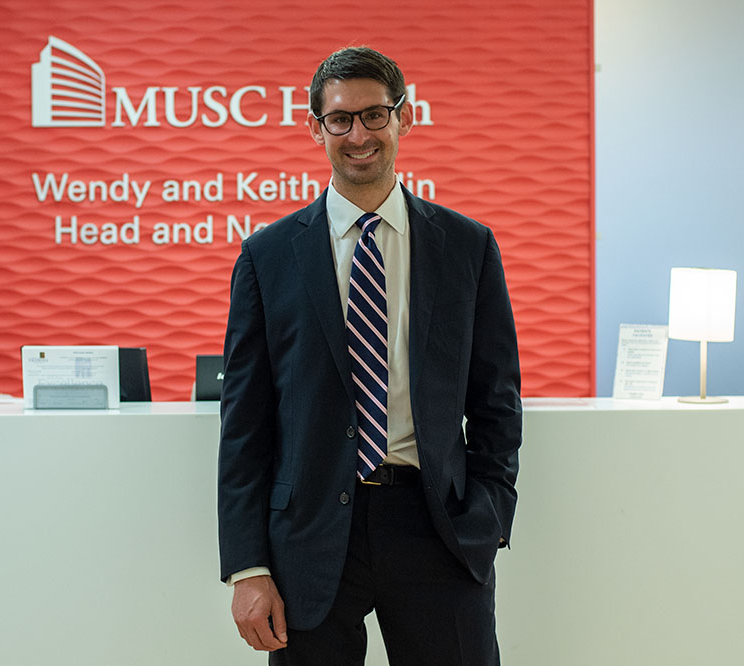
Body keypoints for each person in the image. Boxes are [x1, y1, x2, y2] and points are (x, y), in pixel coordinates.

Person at [217, 46, 521, 666]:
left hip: (436, 526)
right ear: (315, 127)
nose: (359, 135)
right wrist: (247, 565)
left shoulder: (467, 247)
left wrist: (488, 517)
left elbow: (496, 403)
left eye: (375, 115)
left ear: (404, 119)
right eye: (340, 119)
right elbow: (245, 425)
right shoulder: (267, 257)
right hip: (309, 535)